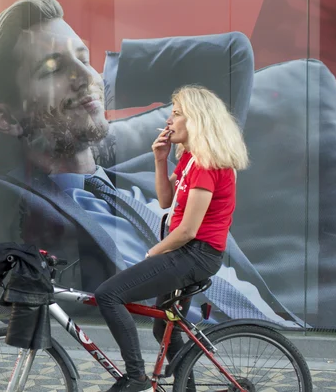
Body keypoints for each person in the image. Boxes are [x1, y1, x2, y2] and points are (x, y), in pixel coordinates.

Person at [0, 0, 299, 327]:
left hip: (272, 333)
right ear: (6, 117)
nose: (81, 73)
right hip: (193, 340)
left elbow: (231, 56)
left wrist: (96, 82)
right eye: (51, 68)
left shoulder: (150, 174)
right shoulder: (8, 201)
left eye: (82, 56)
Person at [93, 86, 248, 392]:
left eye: (176, 113)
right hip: (191, 252)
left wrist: (154, 253)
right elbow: (166, 201)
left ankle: (135, 376)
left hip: (194, 253)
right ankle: (184, 387)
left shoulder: (206, 166)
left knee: (109, 295)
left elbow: (188, 230)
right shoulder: (192, 159)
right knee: (165, 323)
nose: (169, 119)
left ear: (197, 120)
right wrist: (160, 159)